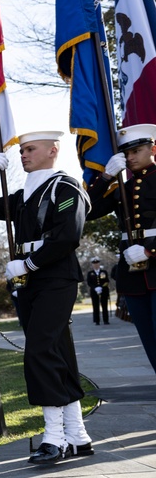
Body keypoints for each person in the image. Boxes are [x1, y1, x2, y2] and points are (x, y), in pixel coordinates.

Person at [0, 131, 94, 463]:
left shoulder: (64, 187)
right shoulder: (25, 195)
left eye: (30, 149)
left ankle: (55, 437)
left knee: (39, 351)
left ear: (53, 150)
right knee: (56, 352)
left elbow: (68, 235)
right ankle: (78, 435)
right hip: (28, 280)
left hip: (54, 276)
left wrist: (28, 262)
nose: (23, 154)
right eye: (21, 150)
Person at [86, 123, 156, 373]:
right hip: (133, 275)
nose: (130, 157)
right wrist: (105, 177)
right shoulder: (123, 190)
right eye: (127, 153)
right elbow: (86, 211)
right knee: (149, 341)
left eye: (136, 150)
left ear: (153, 149)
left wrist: (150, 251)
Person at [85, 257, 110, 325]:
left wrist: (101, 287)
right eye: (94, 263)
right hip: (94, 291)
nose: (96, 265)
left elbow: (107, 281)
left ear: (99, 264)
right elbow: (89, 282)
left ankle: (106, 320)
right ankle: (97, 320)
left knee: (104, 305)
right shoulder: (90, 273)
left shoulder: (103, 272)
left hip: (103, 291)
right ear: (92, 265)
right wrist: (95, 288)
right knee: (95, 306)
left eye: (97, 263)